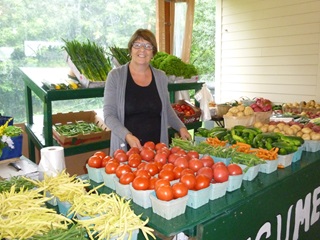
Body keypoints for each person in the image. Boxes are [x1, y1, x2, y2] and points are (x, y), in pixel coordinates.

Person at [103, 28, 191, 156]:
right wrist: (127, 136)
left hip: (157, 149)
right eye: (137, 45)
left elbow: (166, 108)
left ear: (153, 52)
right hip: (127, 149)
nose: (142, 50)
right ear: (130, 49)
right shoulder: (116, 76)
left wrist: (181, 127)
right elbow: (109, 115)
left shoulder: (161, 77)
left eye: (148, 46)